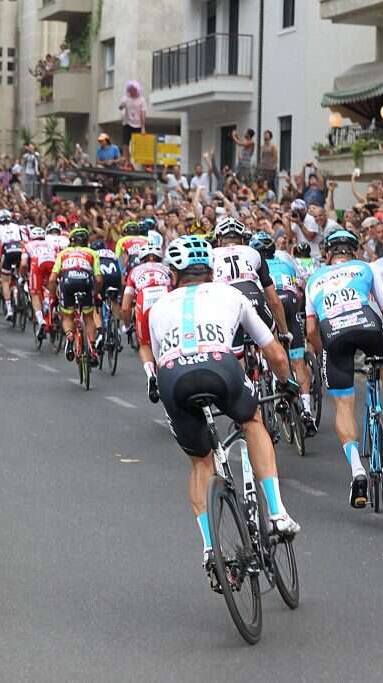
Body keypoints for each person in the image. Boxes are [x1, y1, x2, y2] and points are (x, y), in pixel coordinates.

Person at [145, 234, 299, 586]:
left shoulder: (158, 307)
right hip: (220, 367)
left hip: (174, 377)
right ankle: (276, 512)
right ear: (210, 271)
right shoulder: (231, 293)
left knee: (200, 462)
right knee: (251, 420)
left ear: (174, 274)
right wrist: (289, 384)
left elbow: (157, 358)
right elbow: (274, 352)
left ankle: (209, 548)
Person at [305, 229, 383, 508]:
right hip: (367, 324)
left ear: (327, 254)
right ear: (354, 251)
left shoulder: (314, 279)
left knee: (343, 405)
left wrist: (322, 352)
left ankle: (357, 471)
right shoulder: (366, 268)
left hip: (334, 333)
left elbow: (311, 328)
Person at [251, 231, 317, 433]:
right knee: (297, 360)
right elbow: (300, 284)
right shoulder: (287, 260)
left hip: (272, 302)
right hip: (292, 301)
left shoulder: (255, 265)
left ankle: (279, 393)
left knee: (273, 349)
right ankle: (306, 410)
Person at [211, 217, 290, 349]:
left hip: (227, 303)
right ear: (243, 239)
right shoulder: (253, 252)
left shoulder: (211, 254)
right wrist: (284, 332)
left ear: (219, 239)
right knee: (274, 345)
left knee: (236, 357)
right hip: (253, 297)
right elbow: (274, 299)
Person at [120, 243, 171, 400]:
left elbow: (125, 307)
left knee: (144, 344)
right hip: (165, 297)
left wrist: (127, 326)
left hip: (145, 299)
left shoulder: (135, 271)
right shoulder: (167, 269)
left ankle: (150, 374)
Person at [48, 227, 101, 365]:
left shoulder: (63, 253)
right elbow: (99, 279)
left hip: (68, 282)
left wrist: (53, 296)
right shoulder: (92, 253)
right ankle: (92, 348)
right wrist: (95, 293)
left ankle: (70, 336)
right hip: (85, 281)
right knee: (89, 317)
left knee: (67, 315)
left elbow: (52, 279)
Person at [22, 226, 59, 340]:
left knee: (35, 293)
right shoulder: (52, 244)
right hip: (52, 263)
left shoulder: (28, 245)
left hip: (37, 264)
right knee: (50, 287)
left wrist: (22, 275)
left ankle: (40, 320)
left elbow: (23, 264)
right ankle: (49, 304)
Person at [0, 209, 24, 322]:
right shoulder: (17, 226)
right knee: (19, 273)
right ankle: (19, 285)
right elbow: (22, 241)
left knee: (5, 280)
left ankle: (9, 308)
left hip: (6, 250)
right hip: (19, 249)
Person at [118, 81, 147, 150]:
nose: (132, 91)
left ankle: (135, 159)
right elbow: (120, 107)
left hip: (138, 124)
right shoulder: (125, 98)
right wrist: (121, 106)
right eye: (130, 90)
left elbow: (143, 113)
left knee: (137, 143)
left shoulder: (142, 100)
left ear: (137, 90)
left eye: (133, 90)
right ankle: (126, 160)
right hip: (127, 122)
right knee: (125, 143)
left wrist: (143, 127)